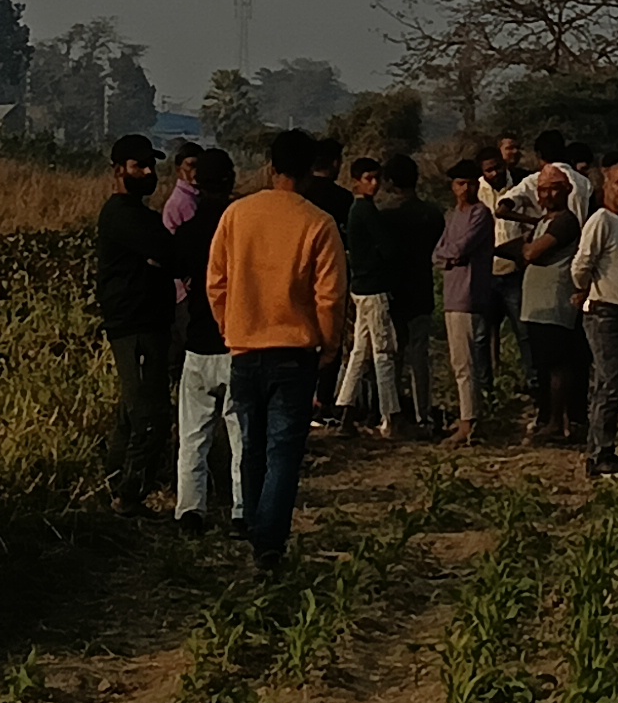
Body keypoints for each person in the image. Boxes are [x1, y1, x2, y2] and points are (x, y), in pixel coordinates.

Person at [202, 130, 350, 569]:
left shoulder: (237, 214)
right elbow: (331, 295)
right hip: (294, 352)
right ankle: (270, 540)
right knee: (284, 450)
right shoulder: (318, 223)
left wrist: (232, 327)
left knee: (251, 443)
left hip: (245, 348)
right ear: (308, 172)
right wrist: (329, 343)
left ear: (271, 166)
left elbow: (216, 282)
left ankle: (252, 523)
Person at [92, 132, 181, 509]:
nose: (147, 172)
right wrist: (159, 258)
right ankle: (129, 494)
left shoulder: (139, 217)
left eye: (150, 165)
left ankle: (115, 485)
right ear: (118, 171)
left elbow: (166, 255)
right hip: (135, 325)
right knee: (150, 413)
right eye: (138, 166)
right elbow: (168, 252)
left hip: (146, 322)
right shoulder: (123, 216)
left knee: (134, 410)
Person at [339, 155, 441, 441]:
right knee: (384, 352)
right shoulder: (369, 211)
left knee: (361, 351)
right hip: (376, 289)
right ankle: (392, 418)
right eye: (368, 179)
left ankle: (345, 411)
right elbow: (389, 249)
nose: (373, 184)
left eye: (376, 178)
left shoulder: (366, 210)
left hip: (362, 286)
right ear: (356, 182)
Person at [167, 141, 241, 525]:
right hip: (237, 343)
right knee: (240, 434)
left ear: (196, 180)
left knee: (193, 437)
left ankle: (189, 510)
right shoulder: (242, 229)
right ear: (231, 181)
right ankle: (243, 511)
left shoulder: (190, 230)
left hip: (197, 342)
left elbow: (176, 273)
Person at [573, 160, 618, 476]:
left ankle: (599, 450)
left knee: (610, 382)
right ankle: (601, 454)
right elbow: (581, 264)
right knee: (610, 383)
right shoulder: (601, 220)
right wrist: (585, 290)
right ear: (606, 185)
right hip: (604, 311)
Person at [508, 154, 590, 444]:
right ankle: (551, 419)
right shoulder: (545, 220)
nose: (548, 194)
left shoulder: (566, 222)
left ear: (567, 191)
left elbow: (531, 253)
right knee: (544, 366)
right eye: (543, 190)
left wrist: (524, 250)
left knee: (558, 366)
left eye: (554, 188)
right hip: (537, 306)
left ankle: (559, 422)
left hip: (555, 304)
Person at [432, 157, 502, 445]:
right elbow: (438, 253)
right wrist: (450, 256)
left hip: (469, 295)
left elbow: (459, 249)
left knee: (467, 363)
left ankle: (469, 422)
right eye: (462, 183)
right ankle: (467, 417)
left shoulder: (480, 214)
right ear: (453, 187)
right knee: (459, 362)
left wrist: (450, 256)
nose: (467, 189)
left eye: (472, 183)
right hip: (452, 295)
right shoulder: (453, 215)